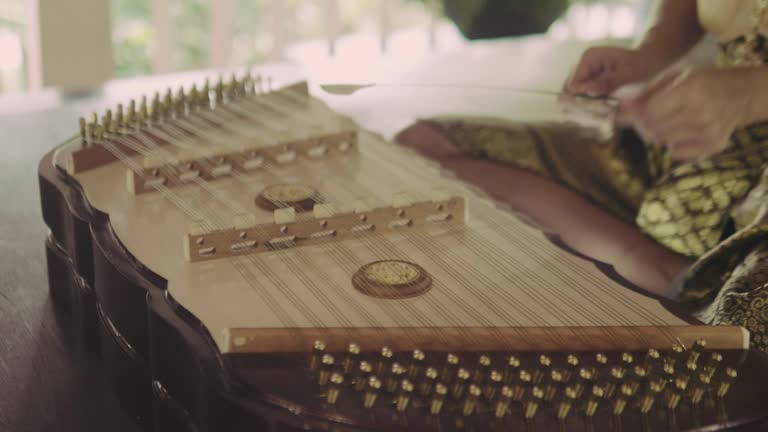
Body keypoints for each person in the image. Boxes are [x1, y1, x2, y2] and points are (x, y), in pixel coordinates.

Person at [397, 0, 768, 352]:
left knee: (746, 336)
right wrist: (646, 58)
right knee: (426, 150)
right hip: (696, 147)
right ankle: (660, 270)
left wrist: (750, 93)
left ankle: (684, 287)